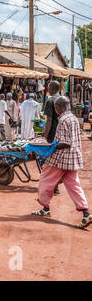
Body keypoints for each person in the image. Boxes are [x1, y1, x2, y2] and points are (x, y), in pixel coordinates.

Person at [31, 96, 92, 229]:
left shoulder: (63, 120)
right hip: (73, 159)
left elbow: (65, 143)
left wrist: (50, 146)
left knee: (45, 179)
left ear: (58, 107)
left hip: (61, 159)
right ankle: (86, 213)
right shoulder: (73, 118)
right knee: (74, 185)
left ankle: (45, 207)